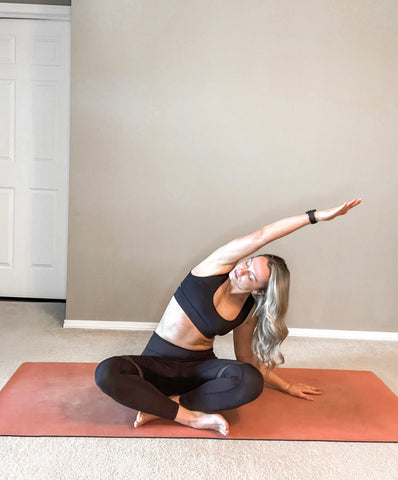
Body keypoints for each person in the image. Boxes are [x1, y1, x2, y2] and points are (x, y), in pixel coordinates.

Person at [95, 198, 361, 436]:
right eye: (246, 263)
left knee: (249, 381)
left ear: (258, 291)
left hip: (198, 370)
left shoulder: (248, 311)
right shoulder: (214, 267)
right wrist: (315, 216)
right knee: (107, 372)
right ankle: (190, 417)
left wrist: (286, 385)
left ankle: (165, 406)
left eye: (251, 276)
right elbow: (263, 235)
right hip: (156, 363)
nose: (241, 271)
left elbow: (246, 359)